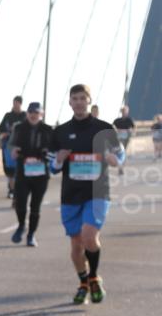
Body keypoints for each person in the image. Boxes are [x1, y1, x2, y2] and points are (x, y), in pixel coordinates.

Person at [49, 84, 125, 304]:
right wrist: (58, 159)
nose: (79, 102)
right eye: (75, 98)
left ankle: (93, 277)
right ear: (70, 102)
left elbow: (121, 156)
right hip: (71, 194)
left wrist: (116, 160)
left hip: (98, 192)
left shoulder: (104, 128)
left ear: (89, 101)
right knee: (76, 244)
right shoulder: (60, 132)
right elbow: (52, 168)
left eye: (83, 98)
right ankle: (83, 282)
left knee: (89, 236)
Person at [9, 102, 54, 247]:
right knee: (20, 203)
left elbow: (54, 149)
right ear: (27, 113)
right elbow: (11, 144)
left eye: (37, 112)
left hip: (41, 173)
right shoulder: (19, 128)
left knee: (35, 206)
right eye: (31, 112)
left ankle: (31, 235)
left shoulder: (48, 129)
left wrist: (48, 152)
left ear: (42, 114)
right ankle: (22, 225)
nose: (33, 115)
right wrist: (13, 151)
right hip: (23, 171)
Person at [0, 96, 26, 200]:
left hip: (22, 148)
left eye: (17, 103)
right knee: (10, 171)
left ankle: (18, 191)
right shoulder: (8, 116)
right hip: (8, 147)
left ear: (20, 104)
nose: (15, 105)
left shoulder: (25, 116)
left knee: (20, 171)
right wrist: (3, 134)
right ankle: (12, 190)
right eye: (14, 103)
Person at [112, 106, 136, 175]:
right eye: (123, 111)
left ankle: (121, 167)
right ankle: (120, 168)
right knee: (120, 152)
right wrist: (116, 130)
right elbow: (112, 126)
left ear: (127, 112)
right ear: (121, 112)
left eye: (125, 111)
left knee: (123, 153)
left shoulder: (129, 120)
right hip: (119, 138)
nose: (124, 112)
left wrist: (131, 131)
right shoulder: (117, 120)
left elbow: (134, 127)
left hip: (126, 138)